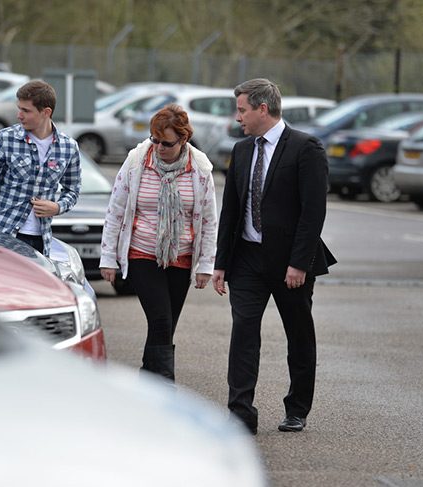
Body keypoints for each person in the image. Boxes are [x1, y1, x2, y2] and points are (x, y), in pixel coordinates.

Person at [212, 78, 336, 435]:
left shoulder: (305, 148)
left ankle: (297, 409)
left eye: (242, 110)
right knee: (244, 331)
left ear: (262, 109)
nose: (239, 118)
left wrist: (299, 263)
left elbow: (314, 212)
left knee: (298, 334)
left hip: (289, 263)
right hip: (247, 259)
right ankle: (240, 413)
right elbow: (231, 211)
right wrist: (221, 262)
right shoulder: (242, 150)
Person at [100, 104, 218, 384]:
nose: (159, 147)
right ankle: (165, 389)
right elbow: (115, 210)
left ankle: (147, 386)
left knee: (164, 327)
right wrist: (108, 256)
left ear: (183, 140)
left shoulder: (200, 170)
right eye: (154, 140)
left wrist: (206, 264)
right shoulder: (136, 163)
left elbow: (210, 220)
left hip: (182, 256)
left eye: (166, 143)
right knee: (162, 320)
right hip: (142, 253)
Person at [0, 80, 81, 256]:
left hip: (41, 241)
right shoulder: (5, 139)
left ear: (46, 112)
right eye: (19, 108)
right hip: (2, 236)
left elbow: (72, 190)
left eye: (26, 110)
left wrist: (57, 207)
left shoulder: (68, 147)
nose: (19, 115)